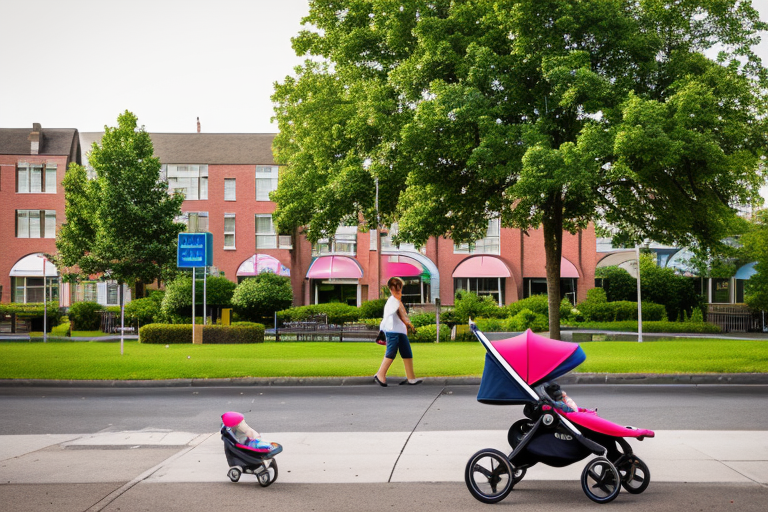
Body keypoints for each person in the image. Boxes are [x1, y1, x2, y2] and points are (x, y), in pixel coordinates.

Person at [374, 277, 423, 386]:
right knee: (391, 353)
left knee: (407, 353)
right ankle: (380, 374)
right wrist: (409, 325)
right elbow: (401, 315)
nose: (398, 291)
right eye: (396, 289)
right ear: (391, 289)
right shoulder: (393, 302)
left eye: (399, 288)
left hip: (400, 331)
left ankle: (411, 378)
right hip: (393, 331)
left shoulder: (396, 300)